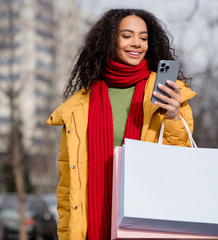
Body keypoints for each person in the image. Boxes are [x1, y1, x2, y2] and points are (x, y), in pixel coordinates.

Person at [47, 8, 196, 240]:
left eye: (143, 38)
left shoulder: (166, 94)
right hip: (92, 227)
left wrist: (174, 115)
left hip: (148, 222)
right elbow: (68, 184)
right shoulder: (79, 106)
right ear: (109, 41)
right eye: (127, 36)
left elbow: (179, 161)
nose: (137, 43)